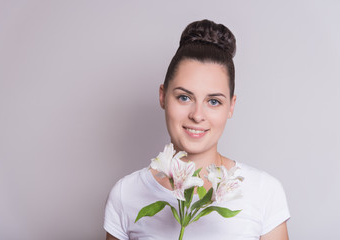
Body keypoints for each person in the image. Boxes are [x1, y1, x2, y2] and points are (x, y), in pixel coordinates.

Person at [104, 19, 290, 240]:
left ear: (231, 106)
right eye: (184, 97)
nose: (197, 115)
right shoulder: (127, 194)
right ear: (163, 96)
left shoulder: (264, 192)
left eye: (213, 101)